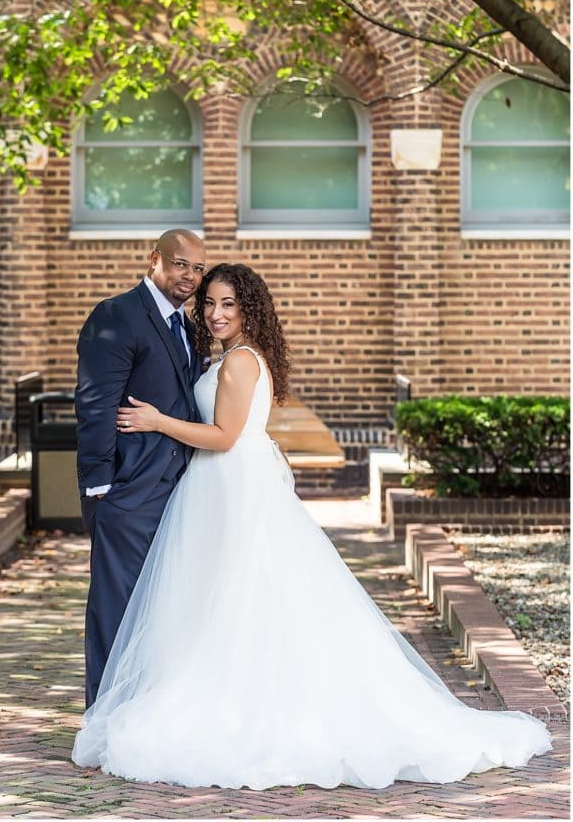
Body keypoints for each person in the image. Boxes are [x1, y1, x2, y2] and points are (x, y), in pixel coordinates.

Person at [72, 263, 552, 790]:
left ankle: (244, 708)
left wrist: (157, 421)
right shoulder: (235, 356)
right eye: (208, 303)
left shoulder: (240, 364)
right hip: (219, 485)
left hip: (230, 482)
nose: (215, 314)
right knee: (226, 596)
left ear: (249, 307)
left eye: (229, 304)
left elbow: (226, 436)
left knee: (239, 592)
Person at [75, 229, 206, 707]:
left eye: (197, 268)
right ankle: (104, 720)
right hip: (127, 493)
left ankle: (148, 711)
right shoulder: (117, 316)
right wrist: (99, 488)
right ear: (155, 260)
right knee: (116, 609)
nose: (189, 276)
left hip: (178, 490)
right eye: (180, 264)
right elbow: (95, 406)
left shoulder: (189, 327)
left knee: (160, 608)